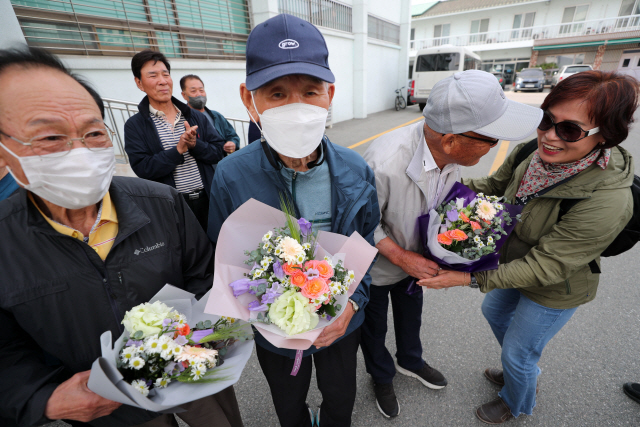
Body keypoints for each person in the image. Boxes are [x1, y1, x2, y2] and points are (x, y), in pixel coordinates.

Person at [0, 47, 243, 427]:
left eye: (93, 132)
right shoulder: (6, 241)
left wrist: (208, 336)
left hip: (195, 375)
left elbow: (203, 276)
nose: (78, 151)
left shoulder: (163, 204)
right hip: (107, 404)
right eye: (50, 136)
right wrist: (41, 398)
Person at [419, 70, 638, 424]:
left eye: (569, 130)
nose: (549, 136)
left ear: (607, 136)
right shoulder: (530, 153)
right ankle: (518, 365)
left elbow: (546, 266)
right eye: (546, 120)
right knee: (494, 313)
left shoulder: (608, 199)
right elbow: (494, 185)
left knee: (521, 353)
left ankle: (516, 399)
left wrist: (461, 279)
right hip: (513, 263)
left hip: (555, 286)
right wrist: (437, 182)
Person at [208, 14, 379, 427]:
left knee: (341, 400)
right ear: (250, 100)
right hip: (276, 336)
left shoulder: (356, 169)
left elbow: (367, 242)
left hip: (341, 325)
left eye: (310, 92)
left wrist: (352, 305)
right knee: (288, 406)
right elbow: (221, 258)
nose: (296, 107)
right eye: (277, 93)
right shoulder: (231, 175)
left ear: (330, 94)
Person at [361, 70, 543, 418]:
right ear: (450, 141)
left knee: (411, 314)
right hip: (379, 265)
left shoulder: (449, 153)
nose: (494, 148)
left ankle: (410, 360)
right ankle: (380, 375)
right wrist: (401, 257)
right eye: (491, 140)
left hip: (419, 262)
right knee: (374, 325)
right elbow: (360, 225)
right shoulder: (383, 164)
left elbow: (442, 202)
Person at [124, 50, 225, 232]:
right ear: (139, 83)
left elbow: (218, 151)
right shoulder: (136, 125)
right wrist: (177, 150)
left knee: (218, 249)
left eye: (166, 74)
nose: (162, 81)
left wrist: (195, 145)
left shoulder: (194, 116)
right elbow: (143, 168)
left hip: (208, 200)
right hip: (173, 208)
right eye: (153, 75)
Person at [179, 74, 240, 154]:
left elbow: (232, 136)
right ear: (184, 95)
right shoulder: (183, 120)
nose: (199, 94)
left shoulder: (216, 116)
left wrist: (232, 144)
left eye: (201, 90)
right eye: (193, 91)